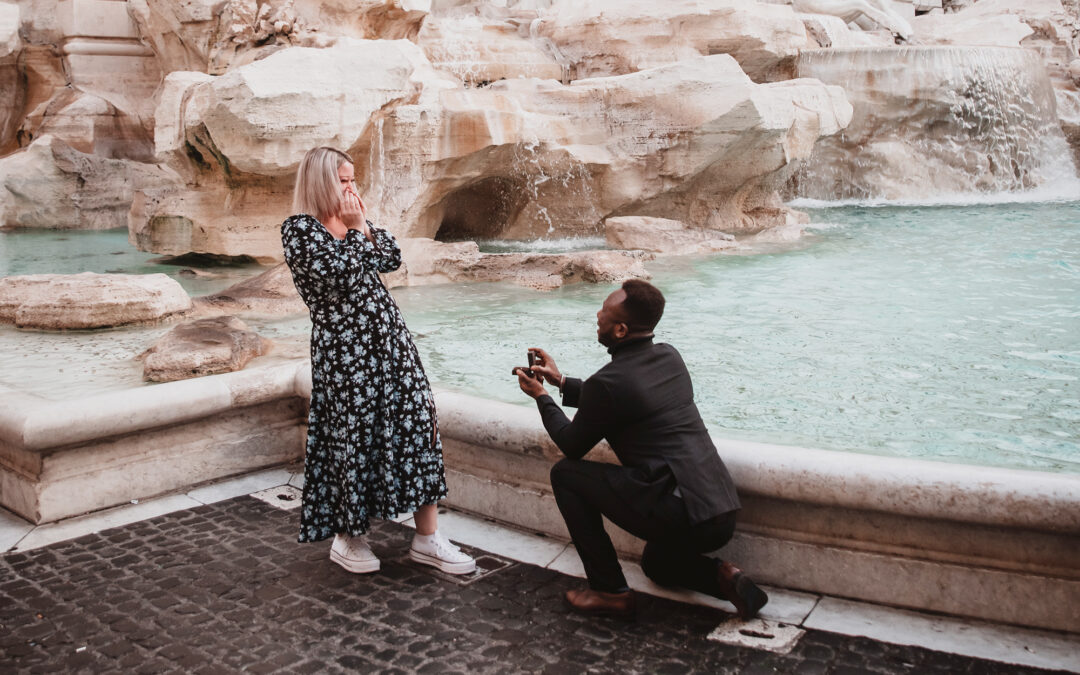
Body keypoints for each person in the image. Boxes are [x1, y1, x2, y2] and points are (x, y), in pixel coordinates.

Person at [513, 279, 767, 620]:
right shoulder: (669, 357)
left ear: (620, 330)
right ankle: (724, 578)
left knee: (566, 475)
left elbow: (571, 444)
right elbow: (624, 395)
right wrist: (560, 381)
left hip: (680, 512)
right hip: (719, 509)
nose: (597, 315)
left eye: (604, 311)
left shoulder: (610, 383)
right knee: (656, 563)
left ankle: (609, 591)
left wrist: (542, 397)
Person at [281, 146, 475, 575]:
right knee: (353, 437)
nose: (352, 188)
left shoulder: (355, 223)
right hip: (344, 353)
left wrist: (361, 226)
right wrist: (355, 232)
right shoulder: (299, 231)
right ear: (321, 182)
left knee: (418, 426)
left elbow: (390, 257)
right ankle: (349, 537)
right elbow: (341, 275)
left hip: (390, 344)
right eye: (343, 181)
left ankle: (428, 537)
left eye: (353, 180)